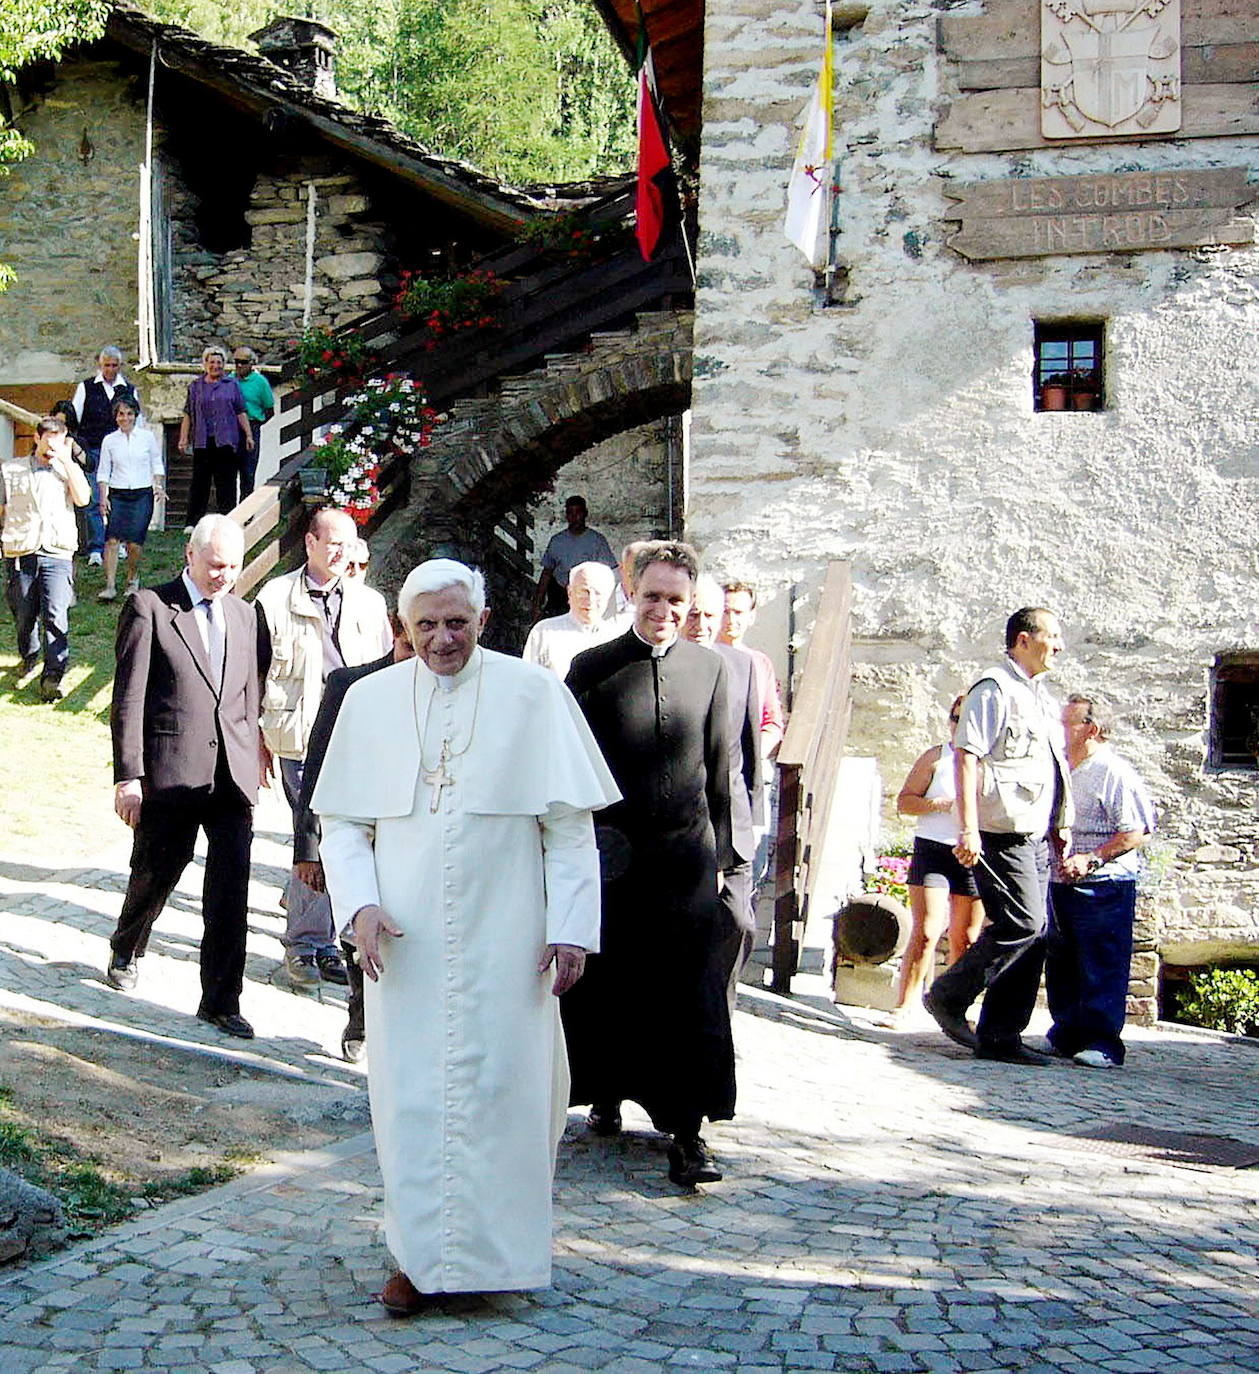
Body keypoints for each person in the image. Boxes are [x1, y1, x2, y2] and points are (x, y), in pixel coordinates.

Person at [312, 559, 618, 1311]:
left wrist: (571, 929)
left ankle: (500, 1258)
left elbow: (570, 830)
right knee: (411, 1097)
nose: (442, 639)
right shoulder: (370, 701)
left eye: (456, 622)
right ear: (403, 629)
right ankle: (418, 1260)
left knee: (507, 1093)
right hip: (405, 943)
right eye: (426, 625)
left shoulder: (534, 693)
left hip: (508, 935)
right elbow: (344, 824)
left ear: (483, 620)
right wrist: (360, 908)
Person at [562, 541, 736, 1188]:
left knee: (687, 993)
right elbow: (567, 769)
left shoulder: (710, 670)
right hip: (612, 860)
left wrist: (725, 856)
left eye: (676, 600)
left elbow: (720, 767)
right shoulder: (592, 667)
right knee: (609, 983)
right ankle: (604, 1092)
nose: (663, 610)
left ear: (690, 605)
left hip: (686, 859)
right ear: (630, 593)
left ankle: (687, 1133)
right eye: (653, 596)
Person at [104, 516, 269, 1040]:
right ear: (191, 556)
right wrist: (129, 775)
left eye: (234, 566)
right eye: (216, 565)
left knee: (229, 891)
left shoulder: (246, 615)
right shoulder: (151, 607)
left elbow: (249, 689)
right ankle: (127, 944)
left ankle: (221, 999)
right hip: (171, 771)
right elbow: (128, 698)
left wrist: (254, 750)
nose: (225, 575)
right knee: (156, 872)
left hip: (230, 779)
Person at [924, 607, 1073, 1067]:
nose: (1060, 646)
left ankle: (1001, 1035)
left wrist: (1060, 823)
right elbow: (965, 757)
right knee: (1022, 924)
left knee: (1037, 932)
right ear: (1024, 640)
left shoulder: (1039, 696)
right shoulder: (994, 689)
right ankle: (948, 995)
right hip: (999, 830)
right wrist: (967, 828)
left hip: (1032, 831)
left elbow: (1046, 767)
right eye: (1052, 636)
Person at [255, 507, 392, 990]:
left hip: (355, 737)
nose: (342, 552)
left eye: (349, 544)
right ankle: (306, 945)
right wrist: (257, 737)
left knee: (344, 838)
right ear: (310, 543)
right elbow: (254, 672)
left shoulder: (370, 604)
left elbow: (385, 671)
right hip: (297, 735)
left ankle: (326, 940)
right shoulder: (275, 598)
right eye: (332, 542)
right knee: (310, 838)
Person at [292, 608, 415, 1063]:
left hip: (413, 835)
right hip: (359, 830)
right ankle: (361, 1017)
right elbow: (318, 770)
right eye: (406, 648)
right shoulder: (350, 686)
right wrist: (308, 849)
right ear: (397, 634)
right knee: (358, 929)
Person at [1046, 695, 1155, 1069]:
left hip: (1105, 883)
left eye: (1067, 724)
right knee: (1063, 961)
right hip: (1062, 879)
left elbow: (1135, 831)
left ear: (1090, 729)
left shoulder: (1112, 772)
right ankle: (1066, 1034)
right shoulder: (1067, 768)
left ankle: (1103, 1042)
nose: (1060, 730)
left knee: (1101, 961)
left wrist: (1091, 859)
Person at [683, 573, 763, 1014]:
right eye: (693, 613)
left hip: (733, 819)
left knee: (739, 921)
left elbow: (748, 748)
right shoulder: (668, 666)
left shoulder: (741, 665)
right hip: (686, 819)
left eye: (709, 615)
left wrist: (754, 815)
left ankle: (722, 1007)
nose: (701, 623)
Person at [890, 696, 984, 1023]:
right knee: (928, 930)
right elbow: (905, 801)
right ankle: (905, 1003)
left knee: (966, 938)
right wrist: (938, 804)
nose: (959, 725)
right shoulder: (936, 757)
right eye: (955, 718)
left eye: (967, 719)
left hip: (973, 852)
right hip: (934, 847)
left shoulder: (989, 761)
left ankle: (956, 1010)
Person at [0, 416, 91, 700]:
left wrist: (68, 463)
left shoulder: (68, 470)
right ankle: (29, 655)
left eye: (59, 440)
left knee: (56, 615)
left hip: (57, 552)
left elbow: (84, 499)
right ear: (37, 438)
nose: (52, 445)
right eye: (48, 439)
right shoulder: (11, 469)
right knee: (24, 616)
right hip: (21, 551)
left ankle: (52, 677)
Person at [71, 346, 141, 567]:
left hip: (121, 452)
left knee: (119, 498)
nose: (110, 369)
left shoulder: (128, 389)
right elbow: (75, 418)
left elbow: (136, 422)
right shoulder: (86, 387)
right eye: (107, 365)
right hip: (92, 450)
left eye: (114, 365)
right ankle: (95, 547)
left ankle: (117, 542)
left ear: (120, 366)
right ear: (100, 365)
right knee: (93, 499)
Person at [96, 396, 164, 603]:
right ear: (115, 417)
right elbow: (103, 471)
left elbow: (156, 463)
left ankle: (132, 578)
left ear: (135, 416)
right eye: (121, 414)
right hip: (118, 493)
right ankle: (109, 585)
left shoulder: (147, 437)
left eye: (129, 414)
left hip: (142, 494)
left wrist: (158, 486)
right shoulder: (109, 440)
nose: (125, 418)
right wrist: (103, 498)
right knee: (112, 540)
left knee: (134, 543)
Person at [179, 346, 252, 529]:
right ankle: (192, 523)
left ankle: (228, 521)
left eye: (219, 362)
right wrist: (183, 438)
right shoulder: (195, 387)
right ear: (205, 364)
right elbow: (188, 413)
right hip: (202, 440)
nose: (215, 366)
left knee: (226, 484)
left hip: (226, 440)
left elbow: (240, 411)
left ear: (224, 365)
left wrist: (249, 435)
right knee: (199, 484)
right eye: (212, 362)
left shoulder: (232, 385)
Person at [719, 581, 784, 762]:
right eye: (725, 611)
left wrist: (755, 756)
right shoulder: (704, 658)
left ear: (751, 617)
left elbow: (772, 721)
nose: (731, 620)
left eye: (738, 612)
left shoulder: (761, 663)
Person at [522, 560, 620, 680]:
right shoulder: (544, 632)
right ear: (570, 593)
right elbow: (528, 681)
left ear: (609, 597)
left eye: (598, 593)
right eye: (584, 592)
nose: (591, 600)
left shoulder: (617, 636)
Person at [531, 495, 617, 621]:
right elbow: (546, 574)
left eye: (578, 512)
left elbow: (611, 573)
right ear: (566, 515)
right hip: (560, 599)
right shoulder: (557, 541)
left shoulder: (597, 541)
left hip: (588, 598)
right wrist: (537, 604)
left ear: (585, 514)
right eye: (570, 513)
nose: (574, 517)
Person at [231, 346, 275, 500]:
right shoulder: (229, 380)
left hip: (252, 427)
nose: (239, 366)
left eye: (243, 362)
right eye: (236, 362)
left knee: (248, 474)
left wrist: (253, 426)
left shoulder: (260, 382)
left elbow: (269, 410)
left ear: (251, 363)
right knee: (228, 473)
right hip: (230, 429)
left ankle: (245, 516)